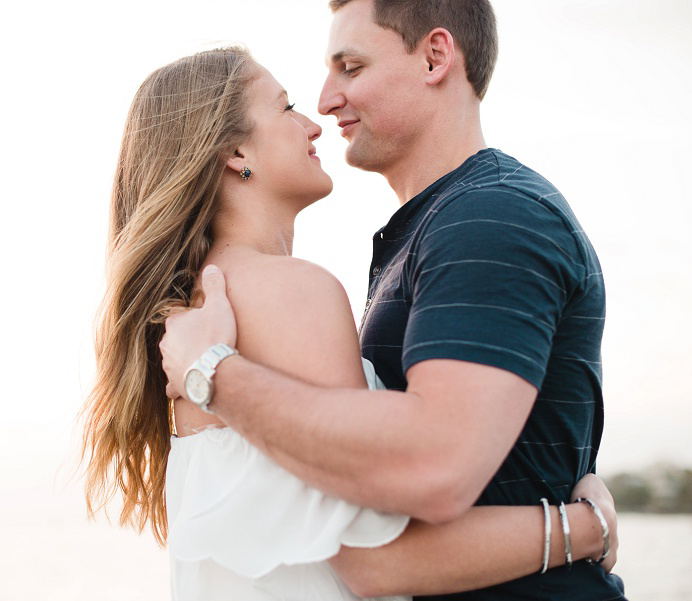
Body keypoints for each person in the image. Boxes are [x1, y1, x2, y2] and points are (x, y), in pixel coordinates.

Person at [81, 45, 617, 601]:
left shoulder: (199, 307)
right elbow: (376, 564)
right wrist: (587, 525)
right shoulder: (288, 292)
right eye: (286, 107)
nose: (314, 123)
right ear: (236, 150)